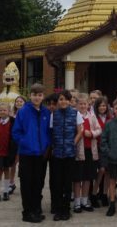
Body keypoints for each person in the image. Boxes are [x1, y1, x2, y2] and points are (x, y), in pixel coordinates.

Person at [12, 84, 51, 223]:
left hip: (41, 155)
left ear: (43, 96)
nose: (37, 97)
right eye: (34, 94)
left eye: (40, 95)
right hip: (27, 154)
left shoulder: (46, 112)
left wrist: (46, 146)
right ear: (30, 95)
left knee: (38, 183)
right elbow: (16, 132)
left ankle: (36, 209)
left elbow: (48, 132)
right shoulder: (23, 111)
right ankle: (27, 213)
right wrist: (26, 143)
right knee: (27, 183)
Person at [50, 90, 83, 221]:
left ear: (70, 101)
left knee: (67, 182)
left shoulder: (76, 113)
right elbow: (51, 132)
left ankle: (66, 210)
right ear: (58, 101)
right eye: (61, 99)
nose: (63, 102)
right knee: (58, 182)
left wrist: (72, 143)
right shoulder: (54, 114)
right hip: (57, 154)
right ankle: (58, 209)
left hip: (69, 154)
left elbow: (80, 131)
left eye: (65, 99)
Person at [73, 93, 101, 213]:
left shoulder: (92, 117)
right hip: (78, 151)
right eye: (80, 104)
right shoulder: (74, 116)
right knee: (77, 178)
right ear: (77, 105)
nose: (83, 106)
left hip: (90, 150)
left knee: (87, 177)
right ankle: (77, 202)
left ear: (88, 105)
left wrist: (92, 133)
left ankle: (85, 201)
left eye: (85, 104)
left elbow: (99, 129)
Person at [93, 96, 112, 207]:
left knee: (108, 172)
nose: (102, 107)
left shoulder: (110, 118)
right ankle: (94, 194)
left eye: (104, 105)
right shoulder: (94, 117)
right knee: (101, 170)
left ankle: (105, 194)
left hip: (109, 148)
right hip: (98, 148)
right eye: (100, 105)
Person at [8, 95, 26, 194]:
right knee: (13, 163)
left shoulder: (27, 114)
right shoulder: (12, 114)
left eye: (21, 101)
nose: (18, 103)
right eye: (17, 102)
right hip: (14, 142)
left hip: (23, 142)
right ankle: (11, 183)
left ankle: (24, 184)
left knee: (22, 164)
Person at [45, 93, 59, 214]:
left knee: (56, 179)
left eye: (54, 104)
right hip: (44, 151)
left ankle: (56, 204)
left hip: (57, 151)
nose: (51, 107)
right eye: (49, 104)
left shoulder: (60, 115)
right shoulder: (44, 115)